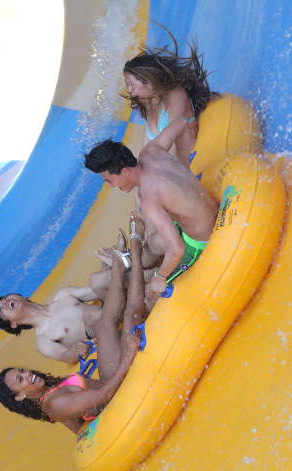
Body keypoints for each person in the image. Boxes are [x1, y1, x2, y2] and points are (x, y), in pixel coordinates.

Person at [0, 215, 145, 434]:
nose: (27, 374)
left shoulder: (47, 392)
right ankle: (133, 254)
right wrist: (129, 354)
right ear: (20, 396)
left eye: (22, 370)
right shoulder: (53, 399)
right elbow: (102, 395)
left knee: (104, 314)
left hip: (108, 376)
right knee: (113, 322)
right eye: (20, 379)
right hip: (116, 392)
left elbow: (76, 422)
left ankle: (121, 263)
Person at [84, 123, 218, 308]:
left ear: (125, 171)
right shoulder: (151, 150)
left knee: (151, 292)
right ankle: (136, 263)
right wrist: (185, 165)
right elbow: (182, 124)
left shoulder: (150, 200)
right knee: (154, 240)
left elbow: (177, 249)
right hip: (203, 214)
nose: (109, 186)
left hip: (199, 241)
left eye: (109, 180)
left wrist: (160, 278)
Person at [123, 27, 219, 169]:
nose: (129, 90)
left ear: (148, 80)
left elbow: (177, 140)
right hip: (172, 169)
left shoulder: (175, 96)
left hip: (194, 164)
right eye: (127, 85)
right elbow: (146, 150)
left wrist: (159, 174)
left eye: (131, 84)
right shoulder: (150, 108)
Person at [0, 285, 101, 364]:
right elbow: (65, 356)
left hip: (107, 310)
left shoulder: (62, 295)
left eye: (5, 298)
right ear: (13, 324)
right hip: (97, 326)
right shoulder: (43, 340)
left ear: (23, 297)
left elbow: (96, 290)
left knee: (98, 279)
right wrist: (76, 349)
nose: (5, 302)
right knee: (89, 315)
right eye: (1, 309)